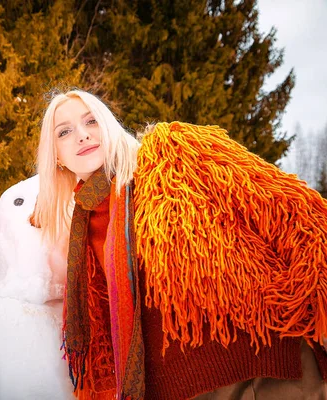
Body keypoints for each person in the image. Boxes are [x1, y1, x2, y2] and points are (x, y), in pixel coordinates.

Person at [32, 88, 327, 399]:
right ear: (56, 155)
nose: (82, 135)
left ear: (109, 126)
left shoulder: (173, 152)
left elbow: (292, 209)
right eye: (64, 131)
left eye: (91, 121)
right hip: (181, 390)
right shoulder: (84, 228)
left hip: (269, 371)